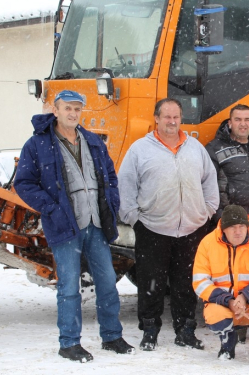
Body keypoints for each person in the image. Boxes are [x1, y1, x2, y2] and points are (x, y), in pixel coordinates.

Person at [14, 90, 134, 363]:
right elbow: (24, 183)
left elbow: (110, 177)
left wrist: (111, 204)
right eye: (67, 108)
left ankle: (112, 336)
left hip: (96, 225)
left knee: (106, 283)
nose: (73, 113)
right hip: (65, 226)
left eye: (77, 109)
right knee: (69, 287)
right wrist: (52, 208)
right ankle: (69, 343)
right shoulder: (37, 144)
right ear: (55, 110)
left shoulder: (92, 141)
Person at [118, 98, 219, 351]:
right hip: (152, 228)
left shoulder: (194, 147)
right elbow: (125, 186)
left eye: (176, 117)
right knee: (151, 283)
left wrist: (206, 212)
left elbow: (210, 180)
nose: (172, 121)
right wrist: (135, 220)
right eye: (166, 117)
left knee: (186, 283)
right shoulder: (140, 149)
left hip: (191, 229)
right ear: (157, 118)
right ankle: (149, 331)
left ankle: (185, 331)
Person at [193, 205, 249, 369]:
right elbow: (200, 283)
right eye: (232, 227)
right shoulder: (207, 243)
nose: (238, 231)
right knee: (212, 314)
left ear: (248, 226)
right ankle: (228, 342)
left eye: (242, 226)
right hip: (226, 306)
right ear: (223, 228)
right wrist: (228, 301)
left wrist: (245, 296)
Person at [205, 104, 249, 232]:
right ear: (230, 123)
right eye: (238, 119)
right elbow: (207, 186)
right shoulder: (215, 149)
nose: (243, 124)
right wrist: (220, 216)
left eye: (247, 119)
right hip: (234, 220)